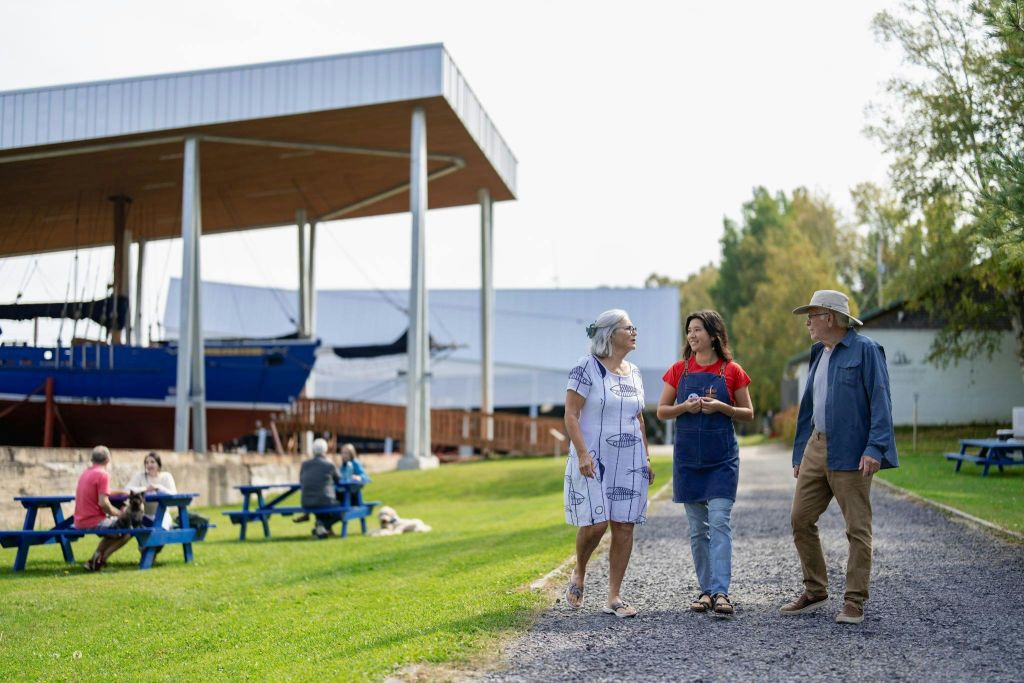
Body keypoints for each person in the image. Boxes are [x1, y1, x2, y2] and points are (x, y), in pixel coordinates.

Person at [780, 289, 898, 625]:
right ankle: (816, 591)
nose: (808, 324)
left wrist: (875, 447)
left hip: (852, 450)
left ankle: (854, 601)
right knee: (800, 518)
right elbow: (808, 407)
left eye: (812, 316)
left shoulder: (867, 351)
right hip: (816, 447)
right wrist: (801, 451)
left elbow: (881, 402)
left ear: (830, 317)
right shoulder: (820, 352)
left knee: (857, 529)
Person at [657, 311, 754, 618]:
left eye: (697, 330)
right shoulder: (678, 370)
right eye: (689, 331)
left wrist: (722, 408)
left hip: (721, 460)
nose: (691, 335)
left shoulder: (732, 370)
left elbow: (748, 412)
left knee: (720, 521)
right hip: (688, 462)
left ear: (713, 335)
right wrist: (684, 407)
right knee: (698, 530)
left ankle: (722, 592)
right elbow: (661, 411)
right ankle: (706, 591)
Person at [563, 309, 652, 619]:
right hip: (593, 457)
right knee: (597, 522)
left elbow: (639, 418)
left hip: (630, 458)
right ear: (610, 333)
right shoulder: (585, 368)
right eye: (629, 327)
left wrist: (647, 457)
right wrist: (583, 454)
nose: (634, 332)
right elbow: (571, 415)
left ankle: (614, 596)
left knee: (624, 525)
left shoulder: (636, 373)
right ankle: (580, 571)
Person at [74, 445, 131, 571]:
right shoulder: (103, 474)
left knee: (113, 532)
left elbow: (102, 492)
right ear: (108, 460)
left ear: (92, 459)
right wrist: (119, 514)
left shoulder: (86, 472)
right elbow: (103, 503)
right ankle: (100, 560)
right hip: (93, 521)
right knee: (127, 531)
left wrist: (121, 491)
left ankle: (94, 560)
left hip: (79, 520)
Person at [299, 438, 341, 539]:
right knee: (343, 509)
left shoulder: (305, 464)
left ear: (313, 451)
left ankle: (321, 528)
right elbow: (339, 479)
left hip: (306, 502)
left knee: (320, 504)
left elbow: (301, 480)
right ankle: (323, 525)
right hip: (325, 501)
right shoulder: (330, 464)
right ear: (325, 450)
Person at [124, 452, 177, 530]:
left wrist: (158, 487)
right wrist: (145, 489)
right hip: (144, 515)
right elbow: (127, 489)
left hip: (162, 514)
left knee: (159, 532)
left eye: (152, 462)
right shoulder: (140, 476)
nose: (149, 465)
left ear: (158, 464)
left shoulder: (166, 476)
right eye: (147, 462)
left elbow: (174, 493)